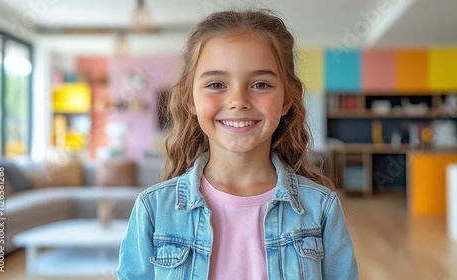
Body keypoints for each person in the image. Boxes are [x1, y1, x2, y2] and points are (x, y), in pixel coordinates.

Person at [117, 9, 358, 280]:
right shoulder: (153, 210)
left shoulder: (322, 209)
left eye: (261, 84)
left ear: (287, 98)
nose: (238, 100)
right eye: (217, 84)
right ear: (189, 100)